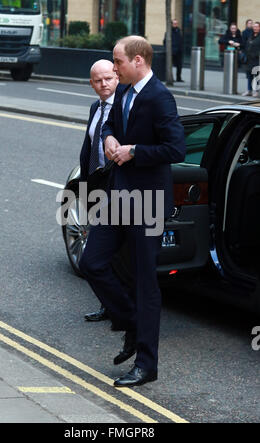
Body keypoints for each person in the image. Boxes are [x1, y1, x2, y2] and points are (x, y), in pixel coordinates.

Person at [79, 36, 186, 387]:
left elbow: (176, 148)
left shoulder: (159, 97)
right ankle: (130, 322)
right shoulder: (123, 91)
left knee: (145, 283)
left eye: (118, 62)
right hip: (119, 195)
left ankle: (146, 364)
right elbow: (111, 125)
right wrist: (109, 138)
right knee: (91, 262)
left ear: (138, 60)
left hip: (149, 201)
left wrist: (135, 151)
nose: (113, 68)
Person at [79, 59, 119, 323]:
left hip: (116, 186)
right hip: (95, 184)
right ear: (91, 83)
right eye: (97, 80)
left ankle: (121, 308)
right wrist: (84, 185)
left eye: (108, 79)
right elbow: (88, 147)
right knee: (101, 252)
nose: (103, 84)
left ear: (117, 77)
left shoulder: (125, 108)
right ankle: (108, 305)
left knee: (114, 251)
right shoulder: (96, 107)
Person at [242, 21, 260, 97]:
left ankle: (256, 91)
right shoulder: (251, 35)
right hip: (249, 59)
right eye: (254, 27)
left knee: (256, 76)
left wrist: (256, 54)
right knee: (249, 76)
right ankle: (249, 90)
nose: (255, 28)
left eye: (257, 27)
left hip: (257, 59)